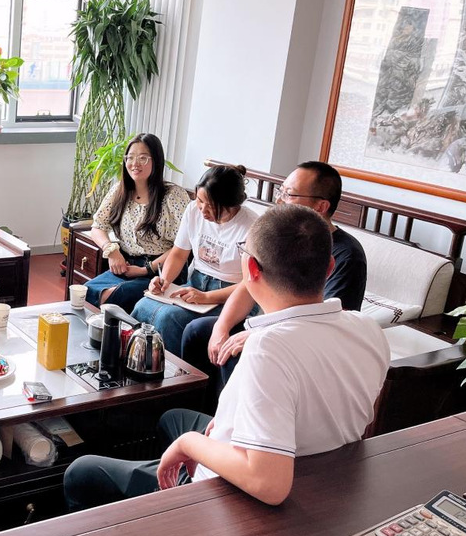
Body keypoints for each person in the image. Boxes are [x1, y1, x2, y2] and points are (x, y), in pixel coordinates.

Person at [64, 205, 389, 510]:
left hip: (229, 495)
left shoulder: (268, 349)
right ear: (329, 267)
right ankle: (159, 494)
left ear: (251, 269)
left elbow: (268, 484)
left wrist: (189, 445)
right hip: (317, 470)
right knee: (172, 418)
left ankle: (171, 506)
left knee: (82, 470)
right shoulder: (367, 329)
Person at [180, 161, 368, 410]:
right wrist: (221, 328)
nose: (279, 200)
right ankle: (195, 410)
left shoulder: (346, 255)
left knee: (236, 353)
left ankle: (228, 421)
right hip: (265, 324)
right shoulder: (282, 236)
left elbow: (326, 320)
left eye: (289, 194)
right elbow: (248, 285)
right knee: (198, 331)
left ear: (321, 206)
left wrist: (257, 334)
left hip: (299, 339)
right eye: (281, 190)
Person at [130, 165, 259, 356]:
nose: (203, 210)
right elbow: (179, 253)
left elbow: (249, 286)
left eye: (211, 205)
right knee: (143, 306)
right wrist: (164, 281)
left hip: (232, 295)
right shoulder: (193, 210)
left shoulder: (252, 227)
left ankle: (175, 372)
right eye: (199, 200)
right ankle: (135, 359)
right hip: (197, 283)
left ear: (231, 204)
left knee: (168, 318)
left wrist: (207, 297)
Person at [83, 134, 190, 313]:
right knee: (85, 292)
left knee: (113, 297)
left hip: (161, 272)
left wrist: (145, 270)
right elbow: (98, 226)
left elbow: (183, 246)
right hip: (126, 266)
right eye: (130, 157)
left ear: (156, 161)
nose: (135, 164)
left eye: (143, 158)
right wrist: (111, 250)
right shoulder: (119, 190)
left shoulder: (173, 196)